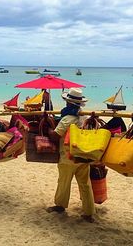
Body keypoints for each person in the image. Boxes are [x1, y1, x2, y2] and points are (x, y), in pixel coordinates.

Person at [47, 88, 95, 223]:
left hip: (68, 156)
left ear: (68, 103)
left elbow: (56, 136)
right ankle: (89, 212)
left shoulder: (67, 119)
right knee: (85, 184)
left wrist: (50, 129)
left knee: (64, 182)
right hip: (83, 155)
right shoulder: (83, 117)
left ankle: (60, 206)